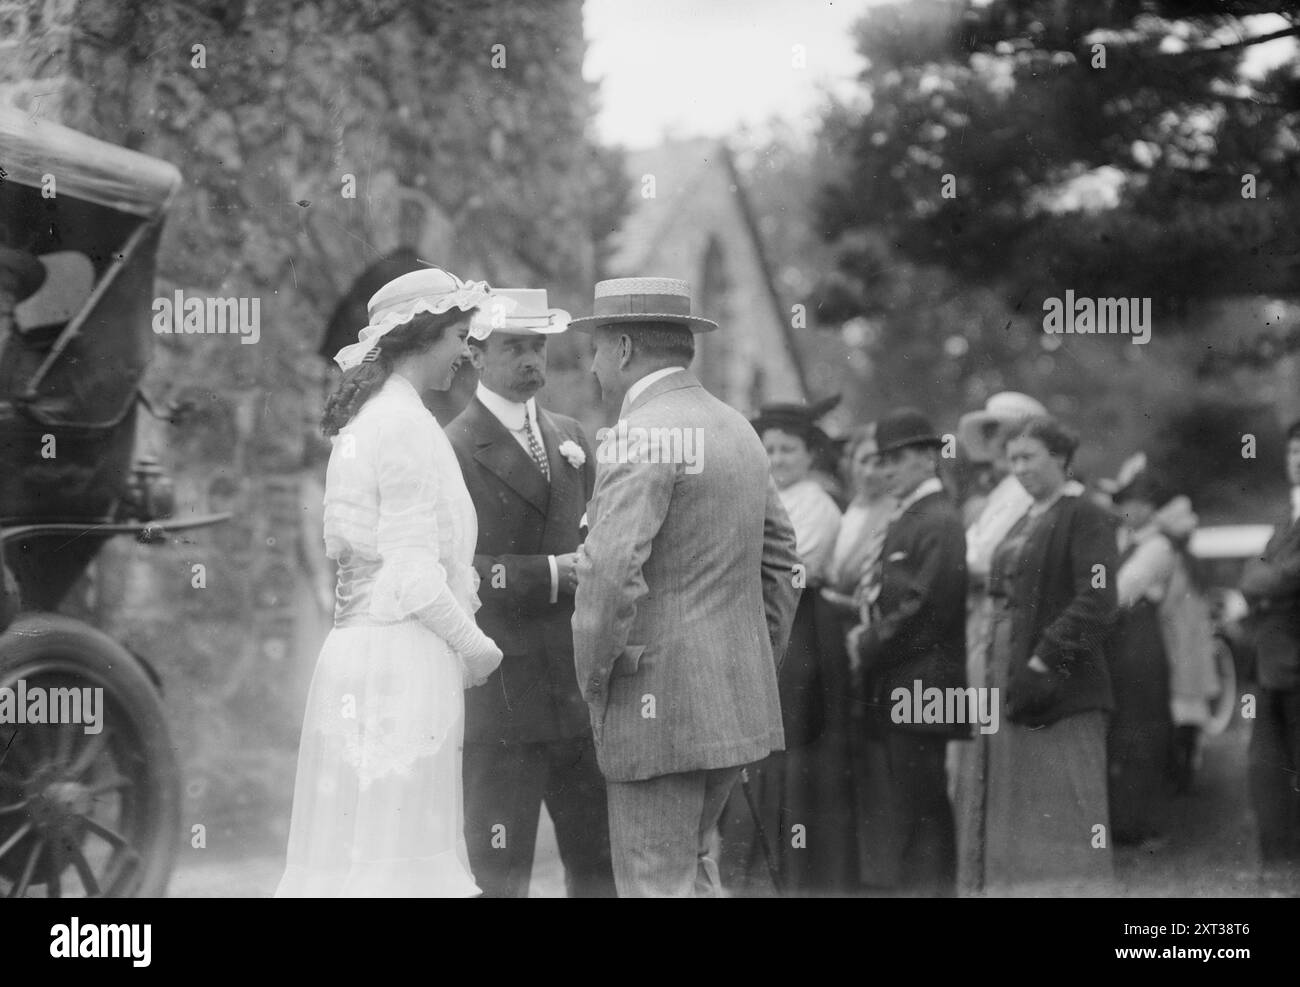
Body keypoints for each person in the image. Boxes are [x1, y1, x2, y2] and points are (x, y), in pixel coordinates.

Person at [570, 276, 802, 897]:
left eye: (594, 348)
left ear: (621, 348)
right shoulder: (738, 428)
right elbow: (782, 561)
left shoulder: (641, 432)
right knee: (696, 872)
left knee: (654, 883)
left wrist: (596, 680)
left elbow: (610, 570)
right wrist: (753, 657)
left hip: (655, 705)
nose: (592, 367)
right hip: (731, 699)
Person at [276, 268, 504, 897]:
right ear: (423, 336)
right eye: (460, 335)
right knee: (399, 862)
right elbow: (410, 576)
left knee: (362, 855)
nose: (467, 351)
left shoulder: (372, 421)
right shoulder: (403, 425)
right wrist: (477, 647)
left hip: (357, 654)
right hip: (399, 660)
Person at [445, 288, 615, 898]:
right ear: (477, 355)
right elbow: (453, 569)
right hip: (504, 700)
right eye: (514, 346)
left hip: (576, 692)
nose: (530, 360)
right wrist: (549, 574)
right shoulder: (454, 446)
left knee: (599, 868)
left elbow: (600, 532)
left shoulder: (570, 436)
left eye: (537, 345)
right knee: (499, 872)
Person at [979, 416, 1118, 896]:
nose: (1018, 469)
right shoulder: (1028, 515)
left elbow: (1097, 600)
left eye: (1028, 458)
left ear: (1059, 457)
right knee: (1023, 804)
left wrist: (1043, 659)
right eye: (1013, 459)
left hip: (1061, 683)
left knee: (1064, 805)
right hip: (1010, 671)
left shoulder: (1086, 514)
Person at [718, 399, 844, 896]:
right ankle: (748, 868)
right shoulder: (769, 496)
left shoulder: (816, 503)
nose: (777, 458)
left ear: (811, 454)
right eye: (768, 448)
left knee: (783, 742)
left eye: (788, 449)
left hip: (799, 626)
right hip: (764, 619)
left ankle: (780, 874)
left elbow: (790, 568)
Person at [847, 408, 968, 897]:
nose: (885, 470)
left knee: (922, 805)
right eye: (880, 459)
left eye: (895, 459)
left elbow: (929, 608)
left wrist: (867, 641)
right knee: (913, 804)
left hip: (926, 685)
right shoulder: (912, 516)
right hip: (906, 682)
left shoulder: (938, 518)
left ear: (926, 459)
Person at [950, 391, 1045, 894]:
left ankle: (1003, 866)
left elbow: (992, 559)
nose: (1002, 446)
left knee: (996, 738)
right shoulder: (994, 493)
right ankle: (979, 866)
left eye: (1010, 435)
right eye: (995, 436)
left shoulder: (1022, 494)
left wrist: (958, 562)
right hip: (977, 616)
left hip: (996, 615)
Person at [1240, 418, 1300, 882]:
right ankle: (1280, 869)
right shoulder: (1287, 520)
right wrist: (1266, 581)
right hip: (1273, 666)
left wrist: (1267, 581)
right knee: (1267, 773)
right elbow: (1255, 576)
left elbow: (1278, 577)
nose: (1297, 460)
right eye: (1293, 452)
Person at [1109, 466, 1179, 846]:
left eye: (1135, 503)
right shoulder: (1124, 540)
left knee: (1143, 734)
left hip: (1143, 648)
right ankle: (1122, 821)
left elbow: (1121, 592)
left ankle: (1143, 824)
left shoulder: (1157, 546)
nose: (1127, 510)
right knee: (1122, 734)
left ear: (1151, 506)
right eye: (1123, 503)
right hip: (1120, 646)